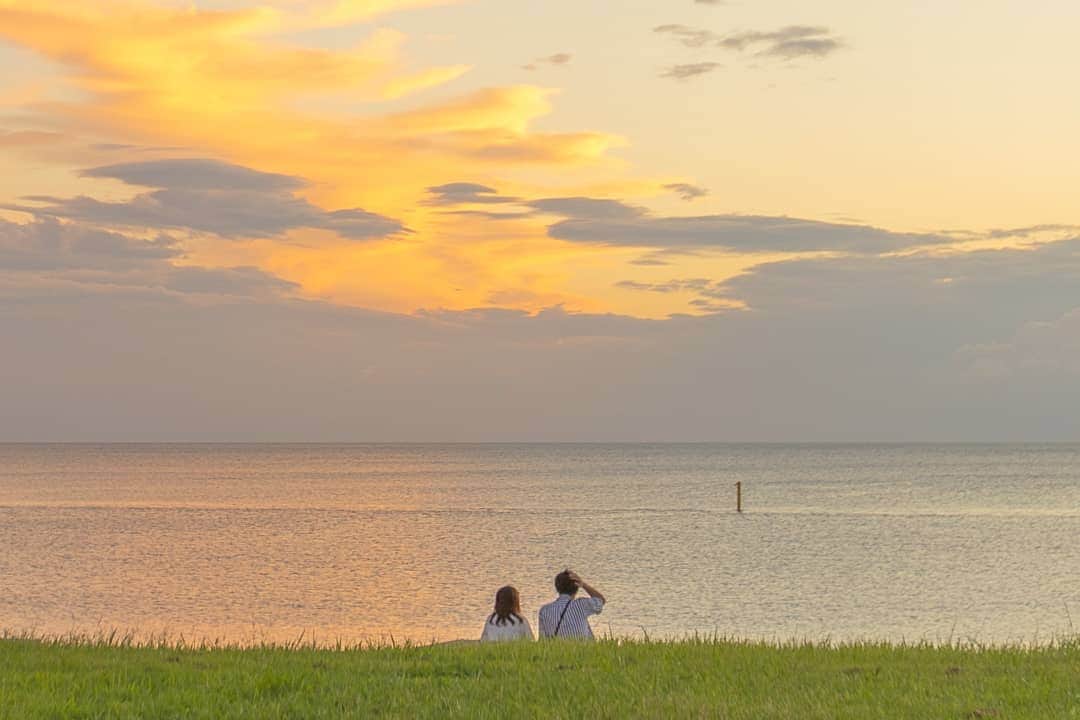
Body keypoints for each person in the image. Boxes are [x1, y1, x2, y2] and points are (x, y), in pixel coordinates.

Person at [538, 569, 605, 640]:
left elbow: (542, 640)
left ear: (557, 588)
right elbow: (601, 600)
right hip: (582, 650)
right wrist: (583, 585)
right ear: (576, 588)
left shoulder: (544, 610)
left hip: (556, 649)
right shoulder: (582, 605)